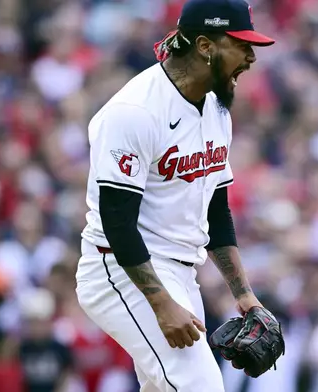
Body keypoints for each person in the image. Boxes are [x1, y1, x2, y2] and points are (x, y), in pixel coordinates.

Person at [74, 0, 275, 391]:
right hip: (119, 270)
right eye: (241, 44)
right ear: (204, 45)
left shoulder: (217, 107)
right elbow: (116, 219)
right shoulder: (135, 110)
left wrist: (244, 293)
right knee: (200, 386)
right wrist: (161, 303)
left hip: (180, 271)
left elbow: (216, 210)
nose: (251, 57)